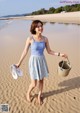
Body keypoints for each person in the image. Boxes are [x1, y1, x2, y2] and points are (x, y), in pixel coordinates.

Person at [15, 20, 68, 105]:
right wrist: (19, 63)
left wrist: (60, 54)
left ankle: (39, 96)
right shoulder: (30, 39)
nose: (40, 28)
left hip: (42, 61)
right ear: (34, 28)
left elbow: (49, 51)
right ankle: (28, 93)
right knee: (33, 83)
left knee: (41, 81)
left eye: (41, 26)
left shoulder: (45, 39)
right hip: (33, 62)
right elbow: (25, 51)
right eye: (38, 26)